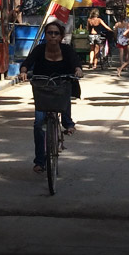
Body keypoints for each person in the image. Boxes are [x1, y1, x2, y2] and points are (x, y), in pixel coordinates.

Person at [19, 20, 83, 175]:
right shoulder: (40, 49)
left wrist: (78, 70)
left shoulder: (66, 50)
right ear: (46, 35)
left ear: (60, 36)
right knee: (38, 124)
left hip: (61, 84)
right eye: (50, 33)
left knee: (65, 91)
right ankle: (40, 161)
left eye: (56, 33)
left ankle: (68, 123)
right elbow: (27, 62)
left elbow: (76, 63)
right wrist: (23, 71)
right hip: (42, 87)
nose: (52, 36)